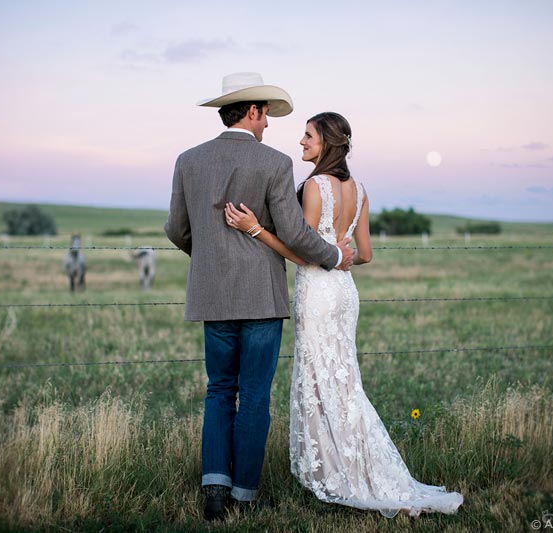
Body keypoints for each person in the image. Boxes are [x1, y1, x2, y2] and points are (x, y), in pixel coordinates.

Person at [224, 112, 464, 517]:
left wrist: (255, 230)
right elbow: (365, 255)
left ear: (328, 143)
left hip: (318, 293)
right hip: (345, 294)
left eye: (308, 136)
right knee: (344, 382)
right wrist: (341, 250)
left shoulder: (316, 186)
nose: (301, 142)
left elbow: (302, 253)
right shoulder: (360, 188)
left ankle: (337, 475)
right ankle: (351, 467)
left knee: (320, 382)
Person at [164, 73, 356, 521]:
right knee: (253, 395)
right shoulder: (274, 163)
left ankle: (215, 488)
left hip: (212, 296)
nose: (268, 123)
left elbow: (175, 229)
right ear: (251, 112)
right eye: (265, 113)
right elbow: (292, 232)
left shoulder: (188, 160)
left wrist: (210, 254)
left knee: (218, 390)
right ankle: (245, 494)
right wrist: (332, 256)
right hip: (262, 299)